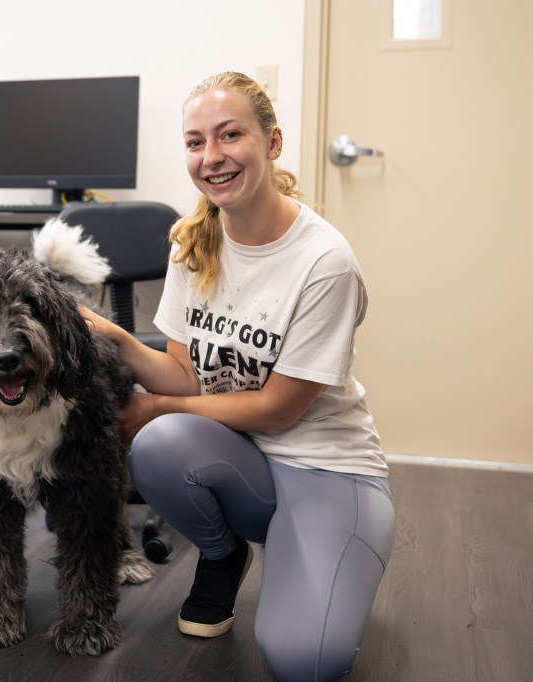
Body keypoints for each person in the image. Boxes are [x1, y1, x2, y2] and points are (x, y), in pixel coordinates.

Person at [81, 71, 395, 681]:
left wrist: (152, 408)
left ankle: (329, 552)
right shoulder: (191, 244)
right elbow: (183, 375)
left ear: (272, 143)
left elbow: (279, 408)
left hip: (327, 468)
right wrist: (117, 339)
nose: (212, 156)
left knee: (304, 661)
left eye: (230, 135)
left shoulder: (324, 261)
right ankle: (223, 557)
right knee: (160, 446)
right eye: (196, 142)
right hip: (244, 460)